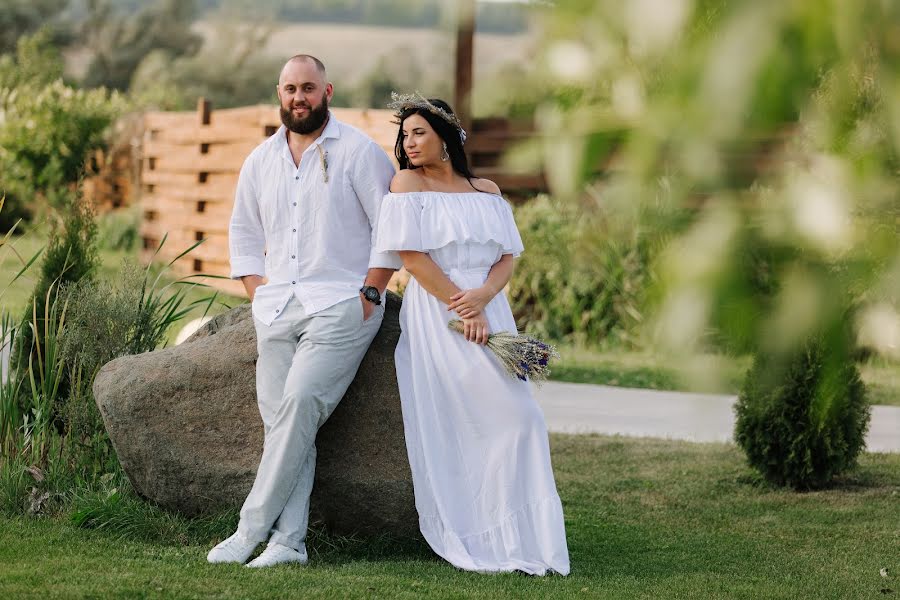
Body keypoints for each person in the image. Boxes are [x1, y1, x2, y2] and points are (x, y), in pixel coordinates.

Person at [208, 55, 400, 568]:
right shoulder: (259, 161)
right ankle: (290, 543)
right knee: (282, 420)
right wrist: (257, 292)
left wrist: (372, 293)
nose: (299, 97)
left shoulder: (360, 152)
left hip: (343, 304)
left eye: (309, 88)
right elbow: (244, 234)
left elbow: (392, 229)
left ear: (327, 91)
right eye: (291, 88)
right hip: (276, 306)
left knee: (297, 405)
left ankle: (250, 530)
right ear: (279, 93)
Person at [374, 93, 570, 575]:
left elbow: (507, 256)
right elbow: (412, 257)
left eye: (419, 131)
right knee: (483, 422)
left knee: (525, 421)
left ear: (446, 137)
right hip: (441, 318)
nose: (409, 142)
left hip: (492, 313)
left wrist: (483, 297)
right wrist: (463, 306)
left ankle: (525, 538)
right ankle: (480, 532)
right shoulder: (406, 184)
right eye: (405, 134)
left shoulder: (485, 189)